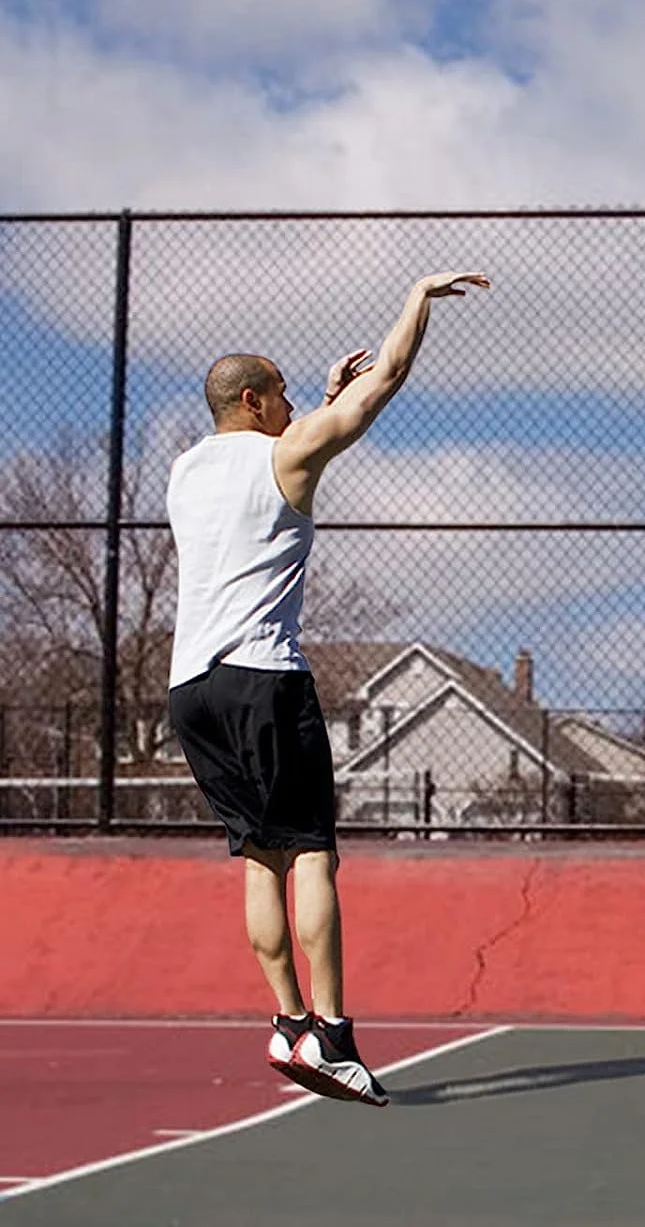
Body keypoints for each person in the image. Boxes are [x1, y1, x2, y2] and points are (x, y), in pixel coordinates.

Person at [166, 271, 491, 1105]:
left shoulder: (185, 473)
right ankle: (335, 1033)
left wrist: (316, 405)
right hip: (262, 681)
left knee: (257, 858)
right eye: (276, 391)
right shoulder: (287, 452)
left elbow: (282, 446)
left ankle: (285, 1024)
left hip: (192, 691)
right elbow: (384, 382)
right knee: (312, 851)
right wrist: (417, 295)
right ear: (250, 398)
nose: (286, 400)